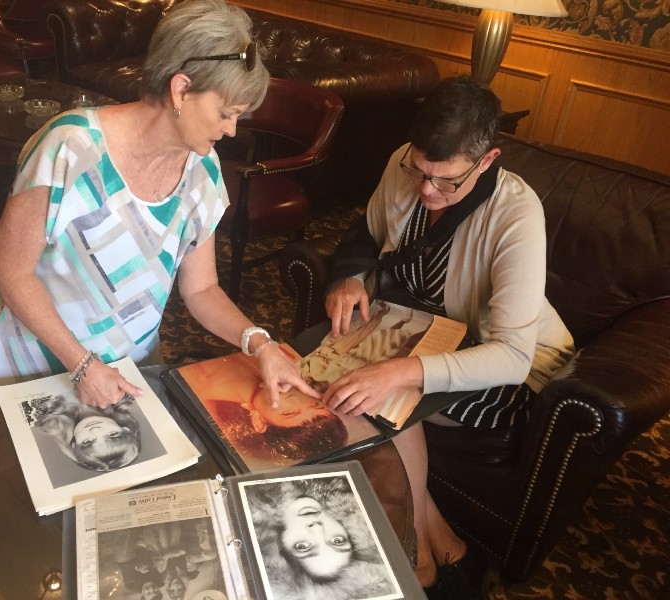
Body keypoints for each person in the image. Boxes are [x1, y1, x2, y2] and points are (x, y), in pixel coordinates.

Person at [0, 0, 317, 410]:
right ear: (181, 89)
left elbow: (201, 288)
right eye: (226, 113)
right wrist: (83, 366)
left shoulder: (203, 170)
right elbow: (10, 269)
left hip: (126, 368)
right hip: (36, 363)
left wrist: (260, 344)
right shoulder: (71, 147)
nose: (231, 129)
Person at [321, 76, 575, 598]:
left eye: (445, 181)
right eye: (418, 170)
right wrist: (348, 274)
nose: (425, 190)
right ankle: (441, 537)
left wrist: (398, 371)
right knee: (348, 385)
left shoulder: (516, 214)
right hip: (425, 336)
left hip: (505, 366)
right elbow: (366, 233)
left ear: (487, 160)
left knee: (372, 399)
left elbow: (510, 356)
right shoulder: (404, 163)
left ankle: (415, 553)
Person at [245, 476, 397, 599]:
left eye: (303, 546)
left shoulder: (248, 499)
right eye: (337, 541)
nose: (317, 529)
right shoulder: (347, 483)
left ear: (278, 544)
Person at [181, 350, 348, 461]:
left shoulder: (199, 386)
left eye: (289, 412)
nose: (296, 400)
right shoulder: (292, 360)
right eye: (314, 404)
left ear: (259, 422)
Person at [29, 393, 140, 471]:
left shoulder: (39, 415)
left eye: (88, 441)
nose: (95, 431)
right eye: (112, 435)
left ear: (74, 444)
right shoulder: (121, 395)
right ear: (125, 429)